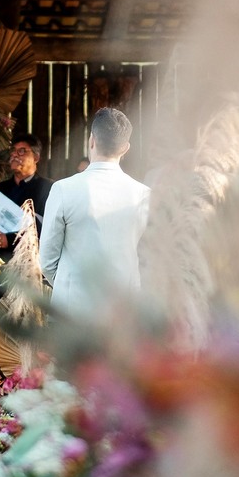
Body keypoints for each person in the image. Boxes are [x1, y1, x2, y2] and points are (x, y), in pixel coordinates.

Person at [39, 107, 151, 322]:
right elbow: (146, 257)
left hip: (71, 310)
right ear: (125, 148)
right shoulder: (144, 195)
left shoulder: (63, 189)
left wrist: (66, 286)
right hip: (123, 312)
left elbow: (47, 260)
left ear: (91, 140)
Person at [0, 133, 53, 261]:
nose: (14, 155)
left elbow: (49, 228)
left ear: (36, 157)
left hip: (30, 263)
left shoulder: (47, 188)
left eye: (22, 151)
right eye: (13, 151)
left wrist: (10, 240)